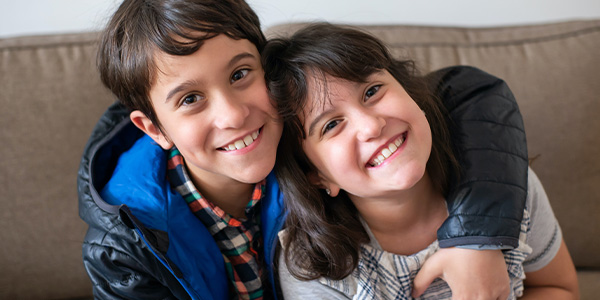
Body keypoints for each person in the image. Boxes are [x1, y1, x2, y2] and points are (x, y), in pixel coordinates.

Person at [78, 1, 530, 299]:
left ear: (269, 68)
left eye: (240, 75)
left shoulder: (318, 149)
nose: (233, 115)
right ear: (154, 128)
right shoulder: (123, 246)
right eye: (191, 100)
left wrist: (476, 239)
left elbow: (471, 94)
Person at [263, 23, 580, 299]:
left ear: (411, 93)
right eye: (331, 125)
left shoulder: (507, 185)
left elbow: (560, 289)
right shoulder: (311, 264)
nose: (372, 125)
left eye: (372, 91)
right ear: (317, 177)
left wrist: (478, 245)